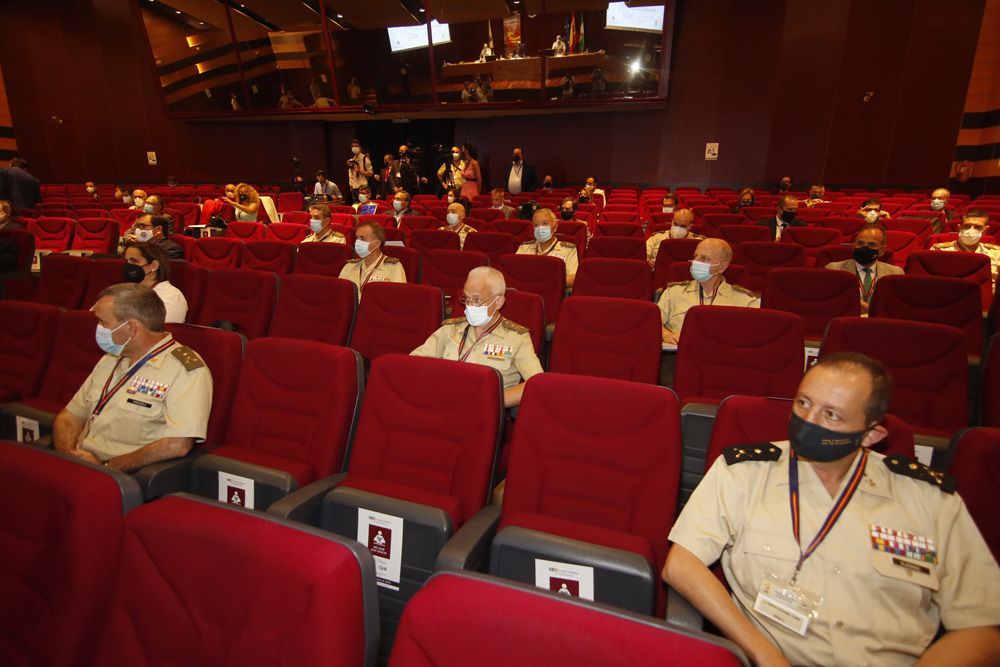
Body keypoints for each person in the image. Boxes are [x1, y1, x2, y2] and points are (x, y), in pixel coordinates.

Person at [663, 352, 1000, 667]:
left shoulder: (928, 500)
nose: (809, 421)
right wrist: (765, 655)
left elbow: (982, 627)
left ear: (870, 435)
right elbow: (680, 564)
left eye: (832, 415)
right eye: (803, 403)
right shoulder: (744, 473)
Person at [52, 283, 213, 471]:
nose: (98, 328)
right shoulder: (110, 359)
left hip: (123, 476)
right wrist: (69, 459)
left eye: (103, 322)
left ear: (131, 328)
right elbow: (68, 418)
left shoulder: (186, 370)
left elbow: (177, 444)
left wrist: (106, 467)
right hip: (79, 466)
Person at [412, 266, 543, 408]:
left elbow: (536, 382)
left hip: (482, 413)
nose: (469, 306)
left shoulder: (517, 338)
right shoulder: (450, 330)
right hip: (441, 404)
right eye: (466, 299)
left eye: (477, 301)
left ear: (498, 302)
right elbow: (412, 364)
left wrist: (492, 401)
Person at [657, 238, 759, 344]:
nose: (696, 261)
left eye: (705, 258)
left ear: (722, 267)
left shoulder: (744, 301)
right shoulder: (673, 293)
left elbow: (756, 333)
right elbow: (652, 323)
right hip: (678, 354)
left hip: (723, 356)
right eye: (695, 256)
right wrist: (665, 334)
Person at [825, 224, 903, 315]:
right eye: (860, 243)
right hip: (848, 321)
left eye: (872, 244)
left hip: (880, 324)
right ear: (853, 246)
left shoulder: (896, 273)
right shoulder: (834, 269)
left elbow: (896, 308)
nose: (864, 248)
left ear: (882, 251)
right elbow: (830, 305)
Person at [338, 222, 405, 301]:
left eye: (362, 238)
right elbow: (340, 295)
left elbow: (398, 299)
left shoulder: (394, 267)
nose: (357, 242)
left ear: (376, 244)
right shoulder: (350, 266)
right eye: (357, 238)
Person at [123, 242, 188, 323]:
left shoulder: (171, 297)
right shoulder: (128, 290)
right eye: (127, 261)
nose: (128, 266)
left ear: (153, 265)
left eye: (134, 262)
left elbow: (162, 331)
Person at [931, 209, 1000, 283]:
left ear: (985, 230)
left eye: (978, 227)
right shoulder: (939, 251)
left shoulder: (996, 253)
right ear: (959, 228)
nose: (971, 230)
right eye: (967, 226)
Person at [516, 208, 579, 287]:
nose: (539, 228)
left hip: (553, 293)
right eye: (536, 225)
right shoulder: (524, 248)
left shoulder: (568, 250)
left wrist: (547, 283)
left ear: (555, 227)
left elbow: (573, 278)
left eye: (545, 223)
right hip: (526, 291)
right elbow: (514, 272)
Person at [347, 139, 373, 203]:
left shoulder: (365, 159)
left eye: (356, 146)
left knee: (364, 205)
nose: (354, 148)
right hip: (353, 188)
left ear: (360, 147)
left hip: (362, 187)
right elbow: (351, 174)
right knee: (357, 206)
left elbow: (371, 173)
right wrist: (351, 186)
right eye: (352, 146)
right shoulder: (352, 159)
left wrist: (361, 171)